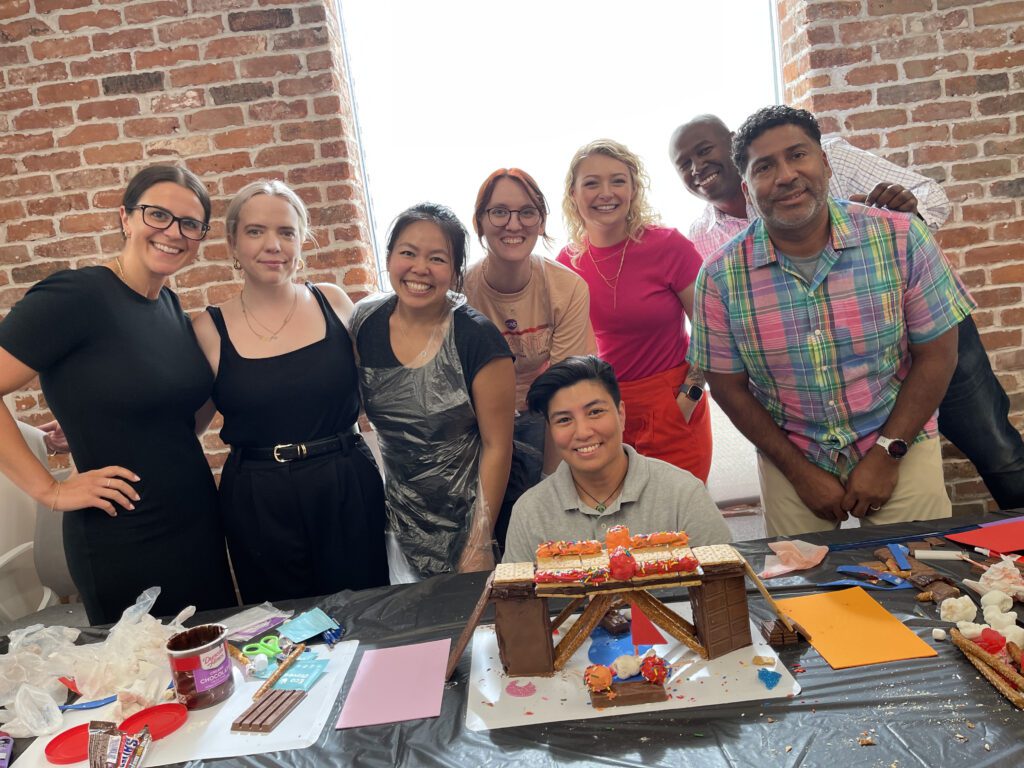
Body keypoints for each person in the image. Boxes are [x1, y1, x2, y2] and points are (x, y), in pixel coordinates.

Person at [671, 114, 1024, 511]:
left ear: (823, 162)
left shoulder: (863, 194)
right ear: (747, 183)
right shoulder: (705, 242)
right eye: (683, 163)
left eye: (704, 151)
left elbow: (928, 197)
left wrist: (906, 216)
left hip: (912, 336)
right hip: (802, 412)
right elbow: (723, 346)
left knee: (997, 450)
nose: (697, 167)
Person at [0, 165, 236, 624]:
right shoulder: (74, 297)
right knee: (141, 685)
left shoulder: (168, 305)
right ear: (126, 218)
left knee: (212, 669)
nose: (174, 232)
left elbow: (165, 413)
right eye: (158, 215)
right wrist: (49, 490)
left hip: (196, 521)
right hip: (122, 533)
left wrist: (100, 422)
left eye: (190, 224)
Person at [192, 180, 388, 604]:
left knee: (370, 613)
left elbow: (384, 389)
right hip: (259, 498)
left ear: (302, 240)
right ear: (233, 242)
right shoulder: (207, 329)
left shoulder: (333, 301)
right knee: (284, 631)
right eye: (256, 231)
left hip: (346, 481)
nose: (272, 245)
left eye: (286, 232)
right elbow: (185, 422)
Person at [350, 203, 515, 582]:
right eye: (407, 253)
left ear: (455, 272)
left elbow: (498, 446)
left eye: (437, 258)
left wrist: (479, 541)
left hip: (470, 516)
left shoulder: (477, 339)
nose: (419, 269)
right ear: (389, 257)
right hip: (399, 519)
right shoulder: (365, 323)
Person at [557, 140, 712, 482]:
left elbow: (711, 327)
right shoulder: (565, 264)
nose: (606, 192)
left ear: (633, 189)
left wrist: (690, 396)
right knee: (618, 527)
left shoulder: (669, 246)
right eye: (591, 183)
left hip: (671, 401)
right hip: (602, 410)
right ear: (573, 193)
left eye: (617, 180)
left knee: (680, 523)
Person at [503, 356, 730, 564]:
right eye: (564, 420)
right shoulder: (530, 512)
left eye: (595, 412)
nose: (582, 432)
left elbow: (727, 587)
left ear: (621, 415)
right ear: (550, 431)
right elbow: (518, 605)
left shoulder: (683, 495)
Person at [464, 168, 596, 483]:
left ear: (541, 221)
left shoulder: (567, 288)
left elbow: (566, 391)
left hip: (543, 413)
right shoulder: (459, 292)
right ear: (480, 221)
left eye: (527, 212)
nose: (513, 224)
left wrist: (551, 480)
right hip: (477, 420)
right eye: (498, 212)